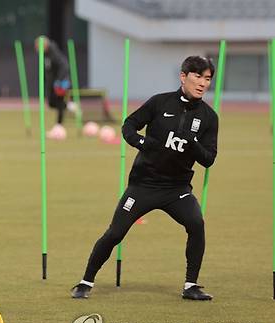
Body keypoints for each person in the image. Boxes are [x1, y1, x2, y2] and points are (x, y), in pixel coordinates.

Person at [71, 56, 218, 301]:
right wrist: (143, 143)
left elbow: (209, 159)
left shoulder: (209, 118)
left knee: (196, 224)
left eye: (207, 78)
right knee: (115, 233)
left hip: (177, 189)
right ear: (183, 76)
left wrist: (192, 143)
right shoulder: (160, 103)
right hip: (143, 185)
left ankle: (191, 285)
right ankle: (85, 282)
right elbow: (129, 125)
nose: (202, 83)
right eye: (198, 76)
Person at [35, 36, 70, 131]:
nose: (36, 48)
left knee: (59, 102)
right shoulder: (44, 54)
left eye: (37, 46)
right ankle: (69, 106)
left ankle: (59, 125)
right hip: (52, 83)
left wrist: (59, 81)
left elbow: (64, 66)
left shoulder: (53, 52)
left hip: (61, 82)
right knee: (51, 102)